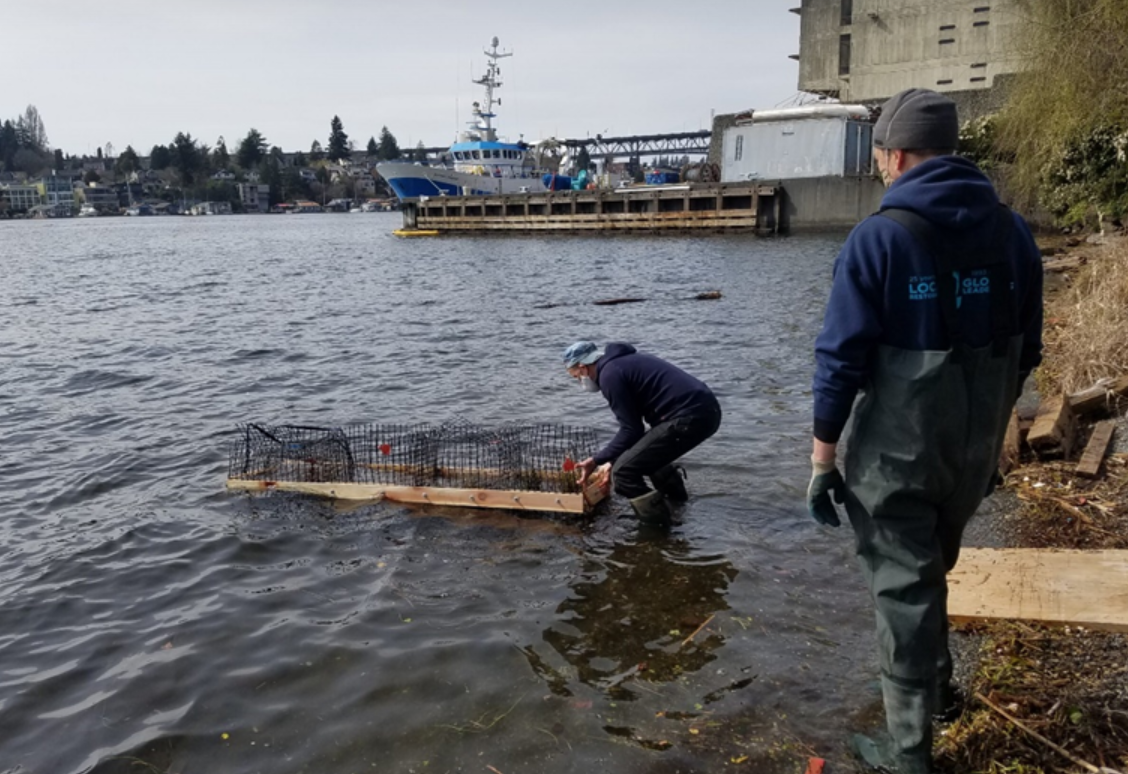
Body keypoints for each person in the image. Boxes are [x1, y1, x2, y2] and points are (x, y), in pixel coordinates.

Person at [807, 89, 1043, 773]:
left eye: (881, 156)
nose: (882, 167)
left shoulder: (878, 238)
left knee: (902, 588)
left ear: (898, 154)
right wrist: (991, 430)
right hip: (972, 451)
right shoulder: (1013, 232)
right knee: (933, 566)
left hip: (898, 456)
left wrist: (823, 459)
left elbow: (840, 359)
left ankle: (907, 752)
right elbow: (1026, 349)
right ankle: (940, 695)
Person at [562, 341, 722, 527]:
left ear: (583, 367)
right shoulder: (622, 363)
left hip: (689, 416)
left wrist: (596, 460)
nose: (580, 382)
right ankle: (678, 506)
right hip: (707, 410)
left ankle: (659, 529)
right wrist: (611, 461)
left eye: (577, 377)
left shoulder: (609, 375)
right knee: (647, 459)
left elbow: (631, 430)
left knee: (623, 474)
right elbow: (637, 434)